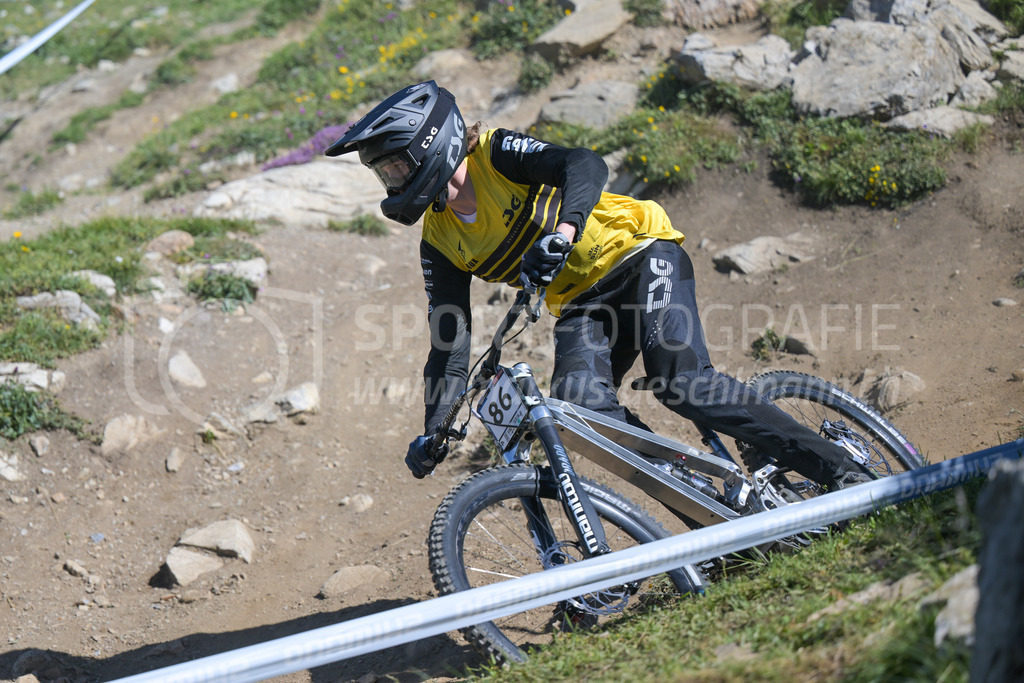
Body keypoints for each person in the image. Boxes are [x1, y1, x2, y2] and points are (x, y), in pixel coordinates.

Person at [326, 80, 869, 490]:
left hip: (639, 254)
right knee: (581, 409)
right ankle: (713, 497)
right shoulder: (439, 241)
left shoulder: (492, 154)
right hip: (584, 305)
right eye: (386, 174)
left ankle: (844, 473)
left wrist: (564, 230)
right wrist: (436, 428)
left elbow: (583, 164)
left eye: (395, 167)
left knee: (684, 384)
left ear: (429, 146)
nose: (392, 183)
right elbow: (450, 342)